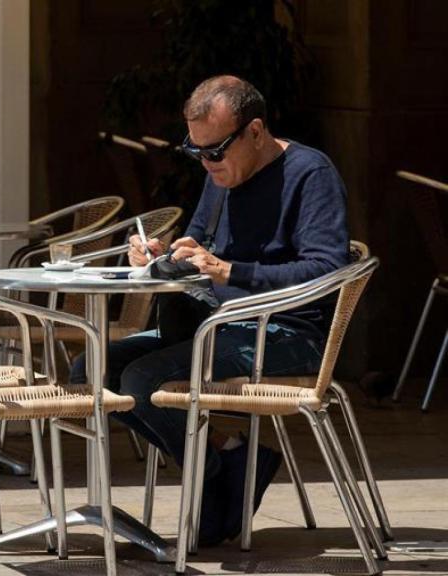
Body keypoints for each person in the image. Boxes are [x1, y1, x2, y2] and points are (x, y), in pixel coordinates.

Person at [70, 75, 349, 545]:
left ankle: (222, 480)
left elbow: (326, 270)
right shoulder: (220, 177)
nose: (206, 163)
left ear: (255, 132)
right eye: (195, 151)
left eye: (215, 151)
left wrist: (228, 270)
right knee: (88, 371)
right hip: (212, 324)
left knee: (143, 379)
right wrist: (161, 256)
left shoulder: (310, 174)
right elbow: (199, 245)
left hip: (285, 334)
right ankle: (229, 458)